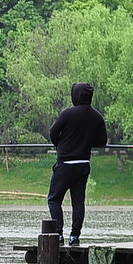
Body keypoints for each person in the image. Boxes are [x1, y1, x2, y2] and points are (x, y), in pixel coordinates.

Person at [48, 82, 108, 246]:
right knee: (78, 202)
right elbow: (102, 141)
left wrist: (59, 146)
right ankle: (74, 237)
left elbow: (53, 132)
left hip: (65, 163)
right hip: (83, 164)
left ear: (75, 95)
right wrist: (86, 141)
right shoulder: (96, 116)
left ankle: (58, 235)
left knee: (54, 200)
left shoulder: (68, 113)